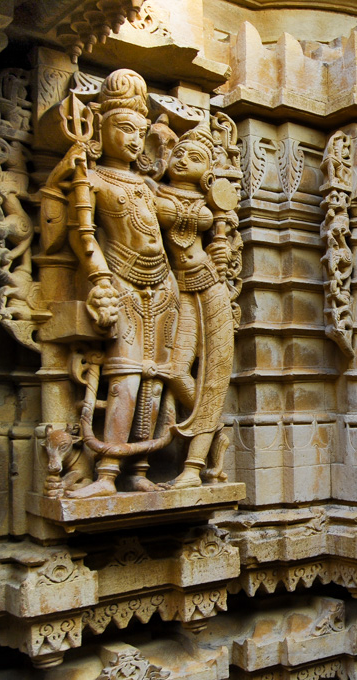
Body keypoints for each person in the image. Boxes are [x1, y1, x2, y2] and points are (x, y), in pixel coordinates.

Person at [50, 69, 180, 498]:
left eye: (139, 132)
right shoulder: (93, 178)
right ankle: (107, 473)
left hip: (162, 286)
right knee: (125, 377)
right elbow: (81, 234)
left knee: (156, 377)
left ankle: (139, 468)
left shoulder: (145, 184)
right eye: (123, 128)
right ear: (100, 127)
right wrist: (101, 279)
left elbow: (175, 224)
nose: (133, 139)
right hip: (120, 283)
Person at [154, 123, 238, 487]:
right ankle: (215, 428)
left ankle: (193, 468)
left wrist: (223, 249)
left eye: (196, 157)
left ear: (208, 174)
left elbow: (222, 240)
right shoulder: (151, 189)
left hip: (211, 286)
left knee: (216, 373)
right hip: (178, 288)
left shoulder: (210, 204)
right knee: (174, 369)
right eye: (179, 153)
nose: (183, 158)